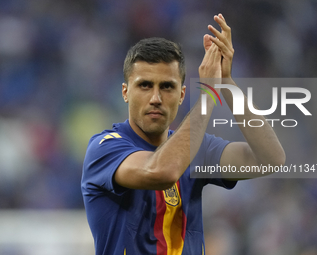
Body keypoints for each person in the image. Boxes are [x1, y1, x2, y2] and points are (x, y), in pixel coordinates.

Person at [81, 13, 285, 255]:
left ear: (181, 94)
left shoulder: (196, 146)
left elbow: (271, 159)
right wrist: (209, 95)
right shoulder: (105, 148)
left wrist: (226, 82)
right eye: (145, 85)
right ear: (125, 92)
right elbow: (163, 171)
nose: (156, 98)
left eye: (167, 86)